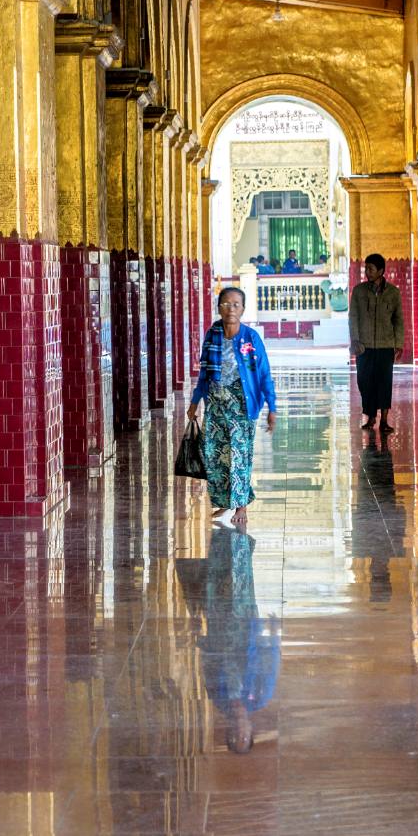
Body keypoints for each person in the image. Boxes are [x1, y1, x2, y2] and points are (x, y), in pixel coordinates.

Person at [176, 525, 280, 753]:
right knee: (240, 584)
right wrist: (272, 635)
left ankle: (220, 539)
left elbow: (207, 667)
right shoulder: (260, 697)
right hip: (245, 629)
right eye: (244, 736)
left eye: (234, 736)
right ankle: (240, 538)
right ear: (251, 730)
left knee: (216, 587)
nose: (239, 732)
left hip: (220, 631)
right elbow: (270, 665)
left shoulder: (219, 700)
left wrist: (199, 637)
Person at [188, 285, 277, 528]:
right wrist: (195, 402)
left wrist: (272, 407)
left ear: (243, 309)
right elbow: (205, 372)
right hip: (216, 404)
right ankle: (226, 501)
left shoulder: (250, 338)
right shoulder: (212, 334)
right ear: (218, 308)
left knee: (239, 454)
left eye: (236, 305)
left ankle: (241, 506)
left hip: (242, 404)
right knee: (215, 456)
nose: (231, 309)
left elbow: (264, 373)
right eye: (226, 304)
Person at [349, 252, 405, 434]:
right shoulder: (359, 291)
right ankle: (371, 416)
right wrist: (355, 340)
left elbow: (398, 320)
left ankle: (384, 420)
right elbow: (353, 317)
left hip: (385, 345)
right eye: (366, 268)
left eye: (371, 269)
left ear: (381, 271)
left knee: (384, 382)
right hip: (364, 346)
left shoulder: (393, 293)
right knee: (364, 382)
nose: (367, 272)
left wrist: (399, 343)